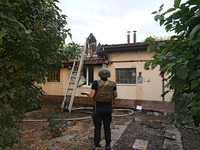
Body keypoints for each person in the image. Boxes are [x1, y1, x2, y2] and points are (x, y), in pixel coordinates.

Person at [87, 68, 117, 150]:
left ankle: (96, 146)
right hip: (108, 109)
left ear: (100, 75)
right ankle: (108, 146)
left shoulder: (96, 83)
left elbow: (91, 96)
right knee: (107, 127)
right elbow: (115, 95)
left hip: (98, 109)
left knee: (97, 127)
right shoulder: (112, 84)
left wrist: (88, 94)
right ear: (108, 75)